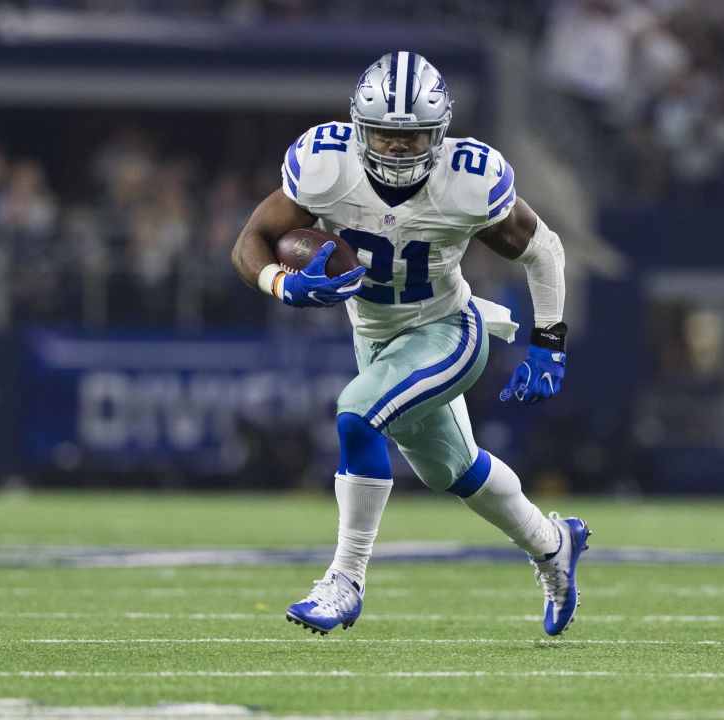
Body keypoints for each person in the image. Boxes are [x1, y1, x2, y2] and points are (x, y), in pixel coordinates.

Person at [231, 52, 589, 637]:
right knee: (456, 471)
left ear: (441, 131)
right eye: (386, 134)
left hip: (448, 330)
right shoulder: (326, 166)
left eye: (415, 134)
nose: (399, 147)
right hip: (374, 338)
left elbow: (542, 248)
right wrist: (283, 284)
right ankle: (554, 545)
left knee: (356, 414)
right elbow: (252, 240)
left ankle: (344, 581)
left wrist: (550, 340)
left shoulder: (467, 180)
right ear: (358, 127)